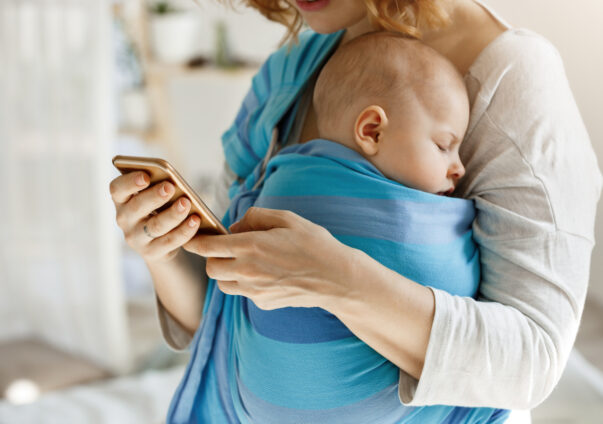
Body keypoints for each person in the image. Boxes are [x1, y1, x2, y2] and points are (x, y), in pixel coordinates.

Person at [109, 0, 602, 422]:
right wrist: (164, 249)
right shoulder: (289, 75)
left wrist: (337, 278)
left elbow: (532, 360)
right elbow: (223, 318)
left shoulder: (514, 81)